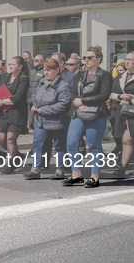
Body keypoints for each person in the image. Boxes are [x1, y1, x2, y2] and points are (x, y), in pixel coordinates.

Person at [62, 46, 112, 188]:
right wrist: (77, 103)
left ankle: (95, 177)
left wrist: (83, 101)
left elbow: (104, 95)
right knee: (71, 144)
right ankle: (76, 175)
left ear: (99, 59)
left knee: (94, 147)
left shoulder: (105, 75)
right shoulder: (81, 74)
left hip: (96, 113)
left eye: (90, 57)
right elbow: (73, 92)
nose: (86, 60)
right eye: (85, 57)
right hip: (78, 112)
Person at [25, 59, 71, 179]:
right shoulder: (41, 82)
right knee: (37, 145)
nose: (46, 73)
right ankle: (35, 170)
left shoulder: (63, 86)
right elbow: (35, 95)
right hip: (40, 121)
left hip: (57, 122)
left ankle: (60, 170)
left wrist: (43, 110)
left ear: (57, 70)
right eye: (45, 70)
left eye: (49, 70)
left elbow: (63, 104)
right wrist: (34, 105)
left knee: (59, 146)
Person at [0, 56, 31, 174]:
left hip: (16, 113)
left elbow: (18, 98)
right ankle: (17, 155)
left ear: (20, 66)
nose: (10, 66)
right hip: (2, 112)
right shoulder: (5, 77)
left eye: (13, 64)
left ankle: (10, 164)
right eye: (10, 64)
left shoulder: (23, 79)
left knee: (10, 139)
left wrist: (2, 102)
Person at [110, 51, 134, 178]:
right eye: (126, 59)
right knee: (125, 140)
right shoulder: (120, 77)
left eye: (131, 59)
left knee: (128, 140)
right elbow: (111, 94)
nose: (127, 61)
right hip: (123, 113)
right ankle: (122, 168)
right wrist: (120, 97)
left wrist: (130, 100)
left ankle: (122, 168)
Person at [27, 54, 45, 130]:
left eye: (37, 60)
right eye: (34, 60)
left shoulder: (44, 72)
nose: (34, 61)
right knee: (30, 123)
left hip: (38, 101)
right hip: (29, 99)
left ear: (43, 61)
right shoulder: (31, 71)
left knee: (37, 123)